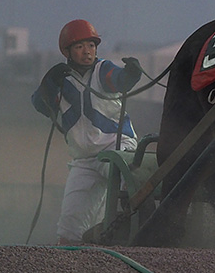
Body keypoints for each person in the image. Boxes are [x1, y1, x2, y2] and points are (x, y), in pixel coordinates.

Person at [31, 19, 142, 245]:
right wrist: (50, 82)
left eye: (91, 46)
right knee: (69, 227)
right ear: (68, 52)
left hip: (117, 150)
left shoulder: (103, 70)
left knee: (127, 203)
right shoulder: (62, 80)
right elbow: (41, 104)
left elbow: (120, 80)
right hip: (84, 159)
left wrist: (132, 74)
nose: (87, 52)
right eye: (80, 46)